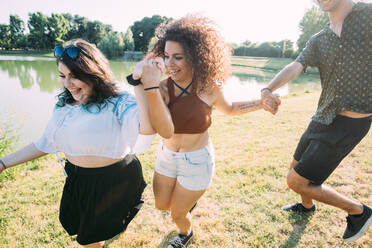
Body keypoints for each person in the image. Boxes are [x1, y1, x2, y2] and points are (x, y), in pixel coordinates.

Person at [0, 39, 173, 248]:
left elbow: (146, 130)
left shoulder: (117, 101)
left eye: (75, 77)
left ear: (93, 73)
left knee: (91, 238)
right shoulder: (64, 105)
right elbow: (45, 143)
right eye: (62, 76)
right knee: (84, 231)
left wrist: (138, 84)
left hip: (113, 181)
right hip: (77, 179)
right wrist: (3, 164)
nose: (67, 83)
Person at [132, 15, 281, 248]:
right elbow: (163, 131)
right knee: (162, 205)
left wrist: (260, 103)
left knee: (176, 215)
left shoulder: (209, 87)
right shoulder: (161, 88)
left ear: (195, 57)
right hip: (166, 156)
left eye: (178, 58)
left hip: (197, 161)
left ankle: (185, 233)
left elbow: (230, 109)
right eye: (167, 57)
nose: (170, 64)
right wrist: (144, 84)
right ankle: (186, 202)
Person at [260, 0, 372, 242]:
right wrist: (268, 88)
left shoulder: (368, 14)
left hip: (350, 122)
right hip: (323, 116)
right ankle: (307, 207)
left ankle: (358, 211)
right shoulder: (319, 39)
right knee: (295, 168)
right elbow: (296, 65)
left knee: (296, 181)